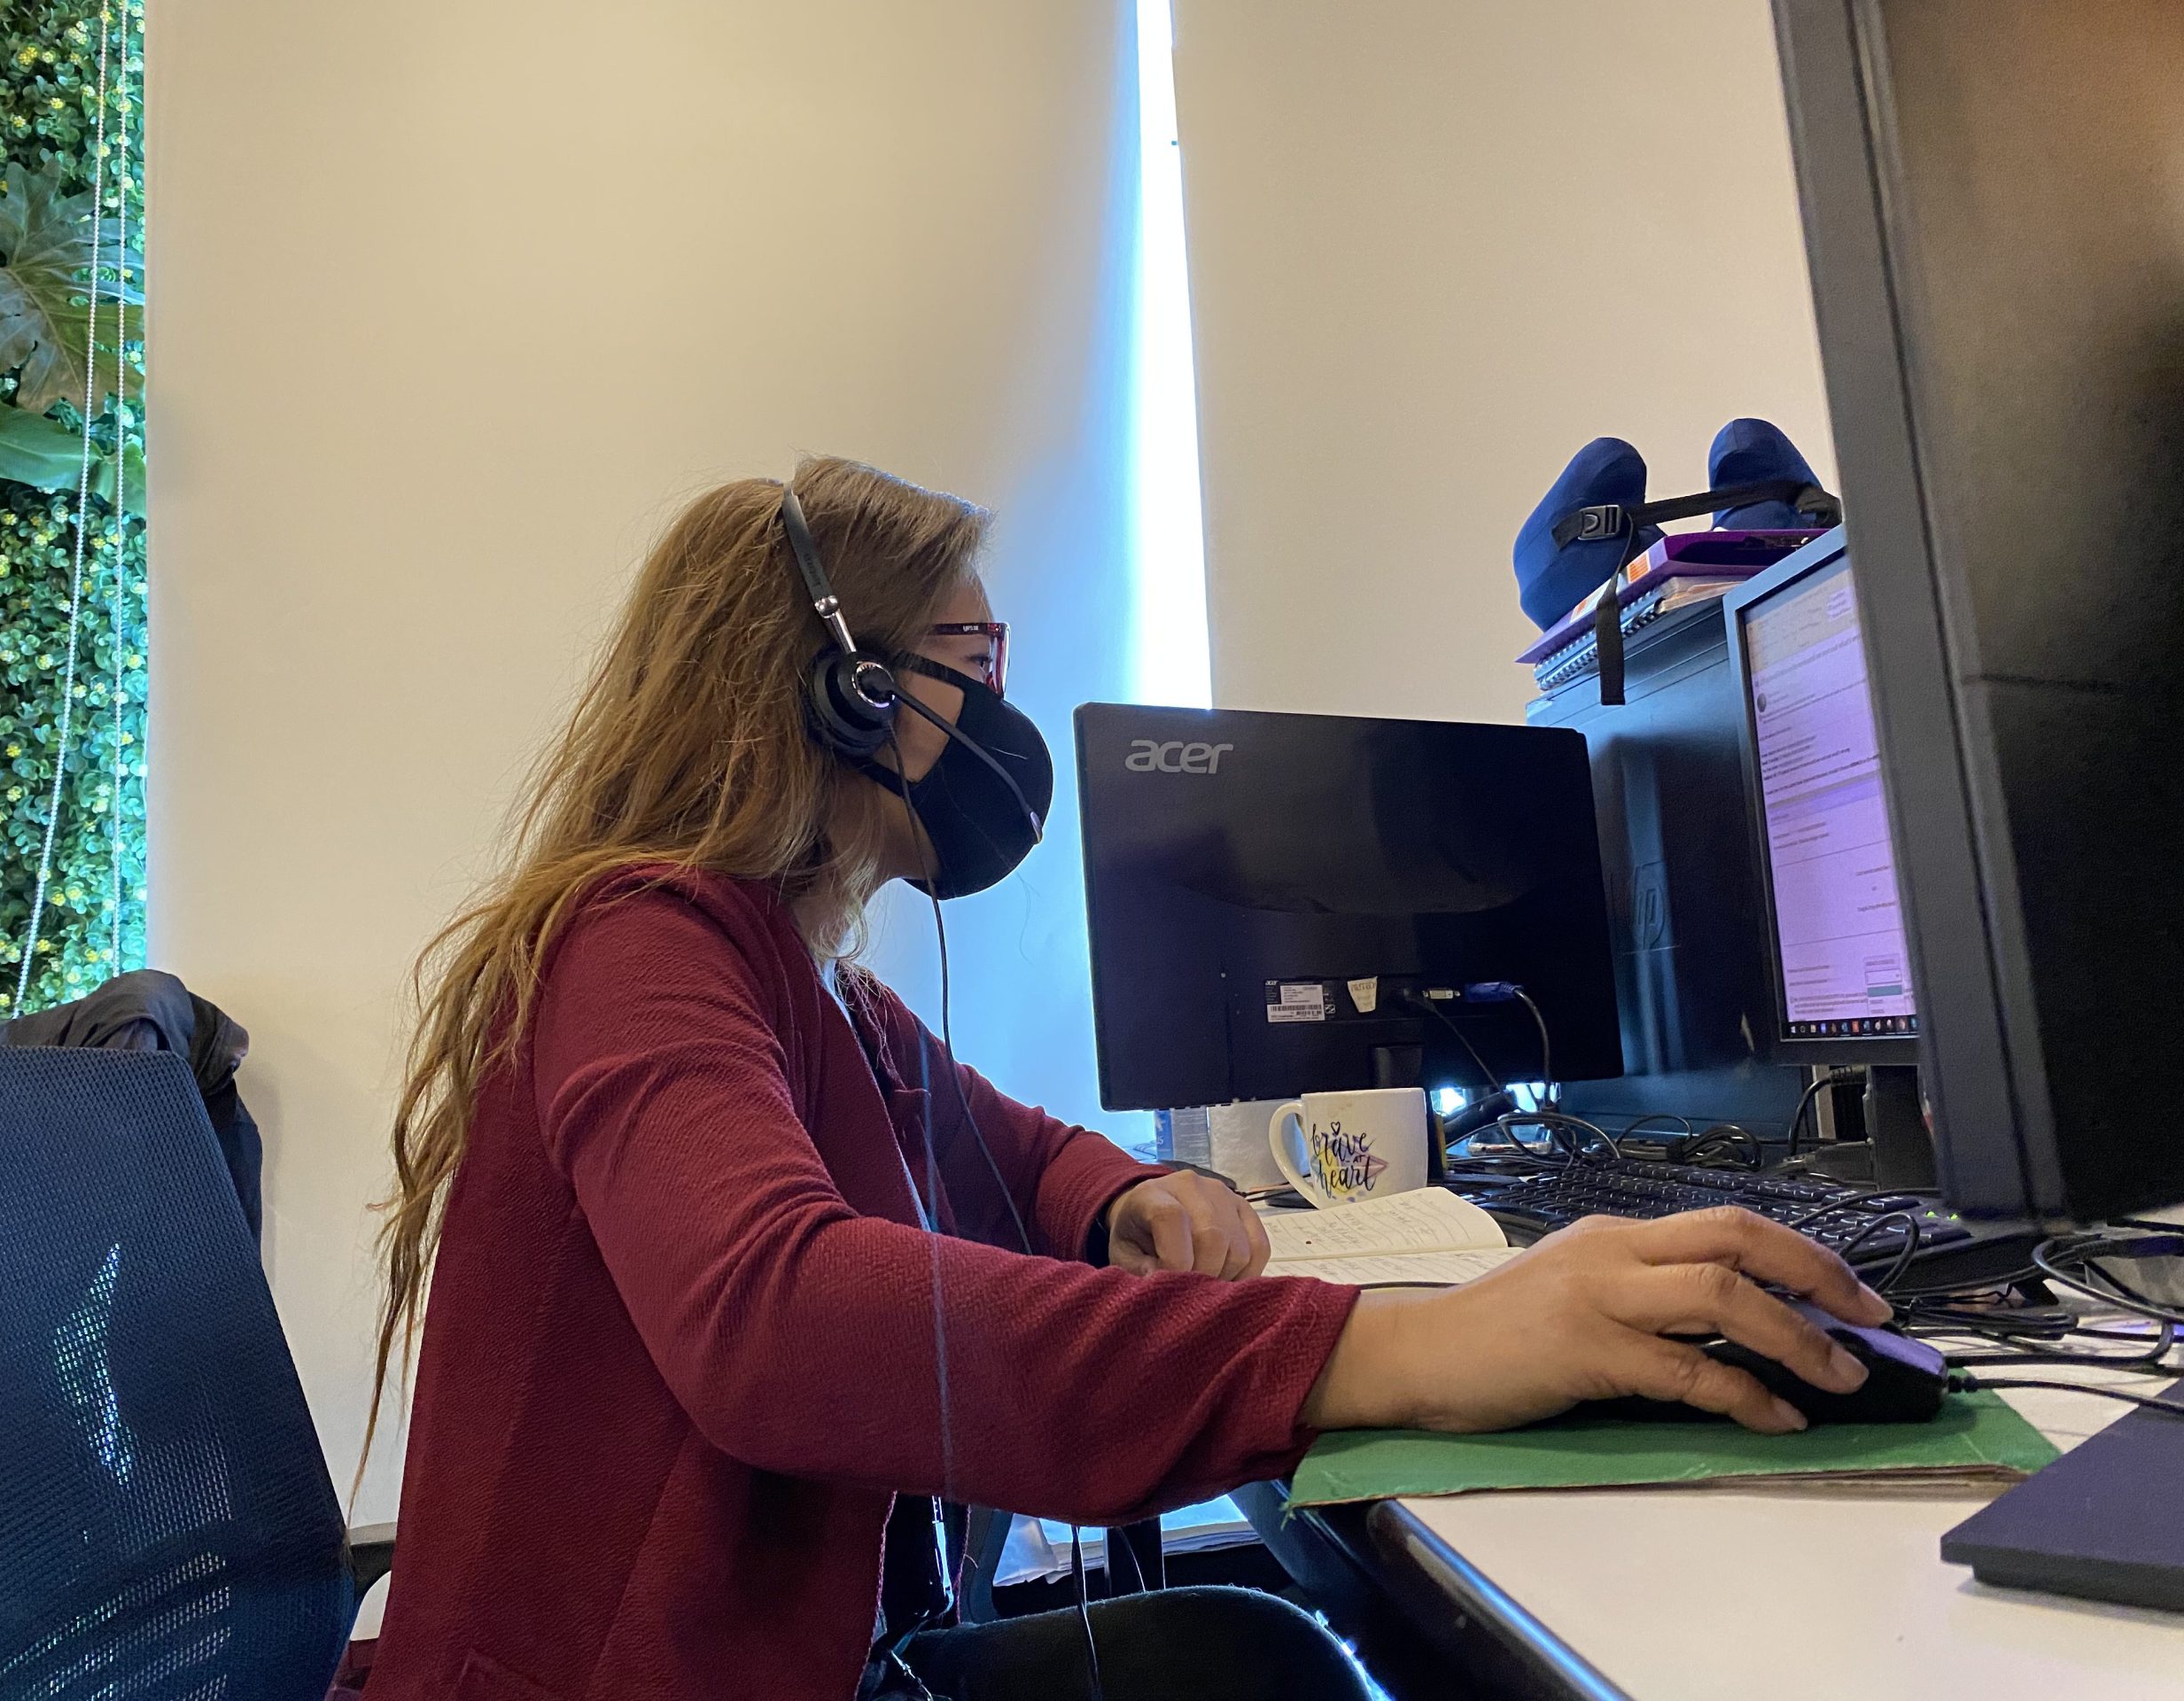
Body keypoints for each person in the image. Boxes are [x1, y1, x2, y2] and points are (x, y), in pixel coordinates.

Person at [358, 457, 1894, 1701]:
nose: (1002, 713)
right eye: (976, 661)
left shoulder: (813, 981)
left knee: (1273, 1660)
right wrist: (1395, 1351)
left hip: (812, 1658)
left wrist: (1130, 1193)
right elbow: (775, 1320)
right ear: (846, 693)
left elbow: (1008, 1154)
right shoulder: (639, 943)